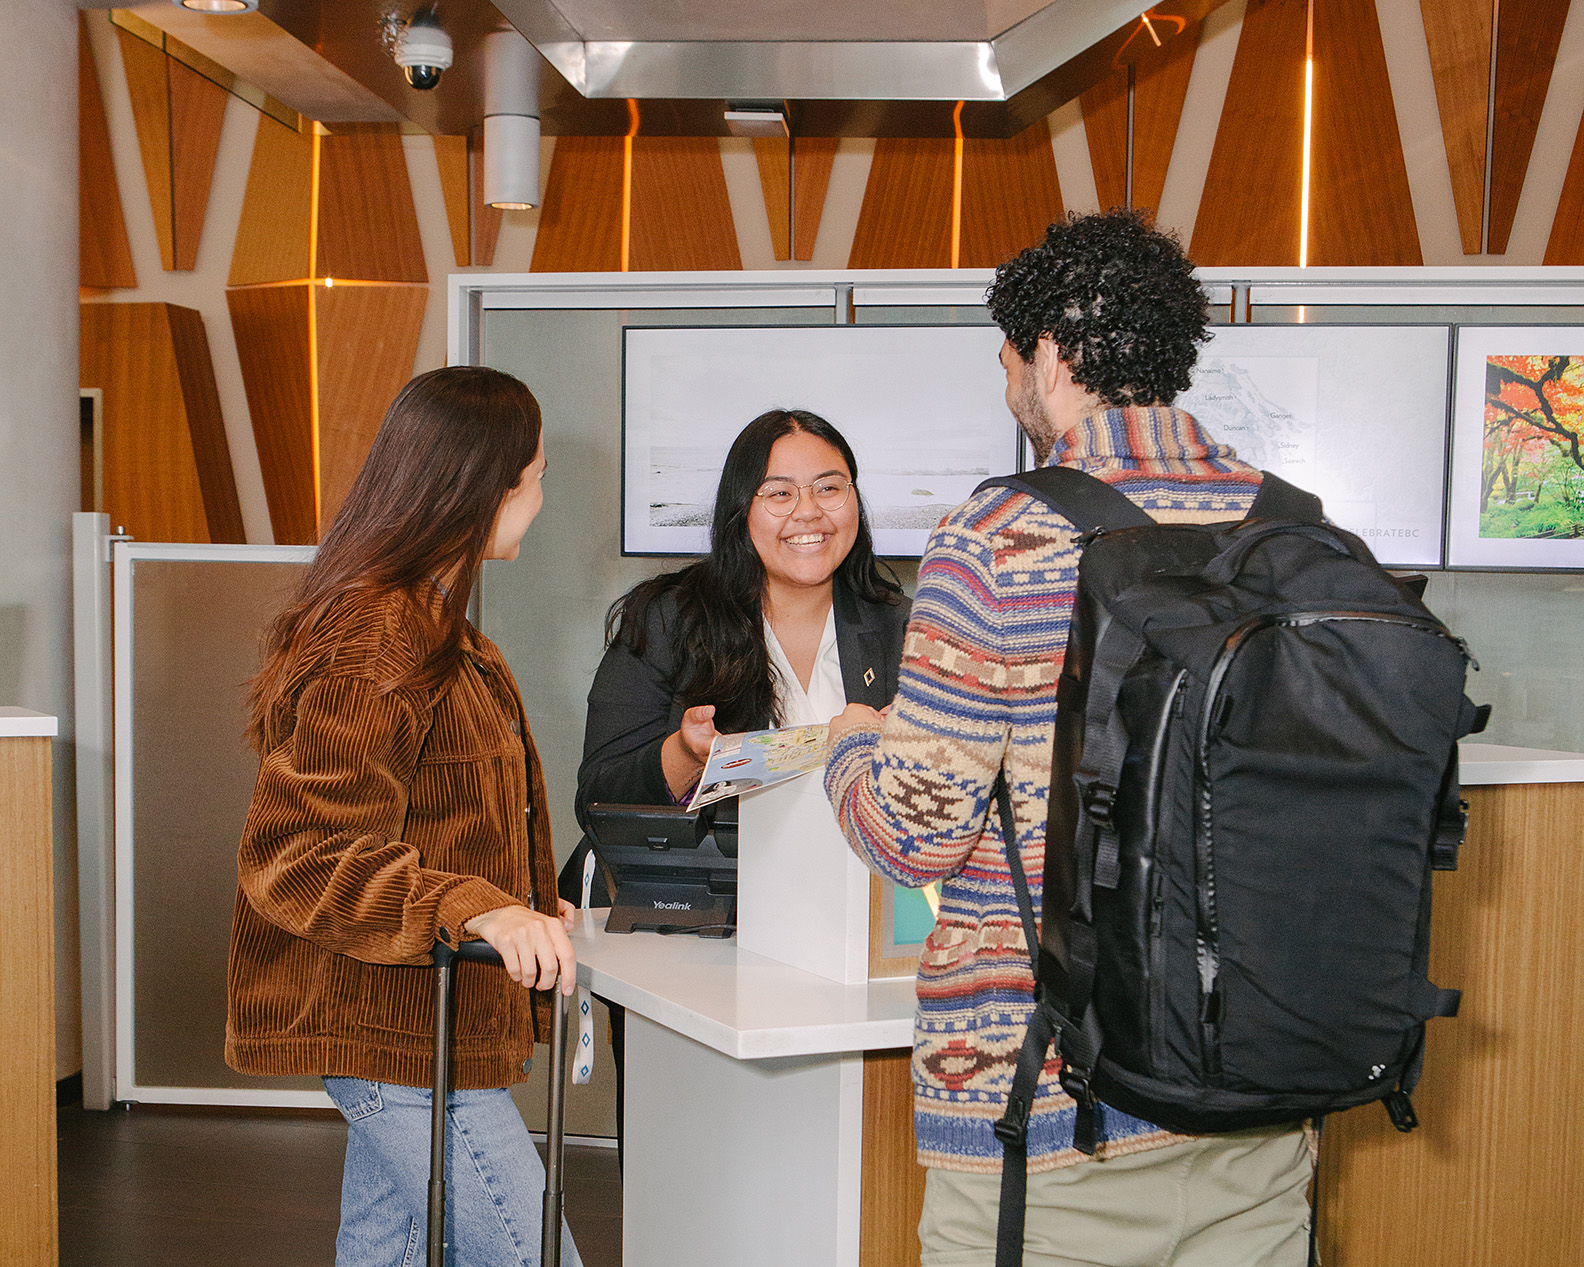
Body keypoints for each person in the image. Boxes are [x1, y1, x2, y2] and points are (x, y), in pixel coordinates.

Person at [824, 211, 1314, 1266]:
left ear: (1050, 355)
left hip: (1044, 1112)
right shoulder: (1296, 528)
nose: (1009, 382)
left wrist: (850, 746)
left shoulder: (1002, 537)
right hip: (1261, 1095)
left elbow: (914, 838)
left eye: (1008, 358)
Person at [225, 366, 582, 1267]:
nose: (540, 497)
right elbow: (296, 853)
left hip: (420, 1025)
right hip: (399, 1031)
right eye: (535, 475)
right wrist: (477, 908)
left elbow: (443, 813)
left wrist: (523, 902)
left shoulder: (435, 626)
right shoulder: (379, 634)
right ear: (485, 487)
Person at [563, 408, 911, 1155]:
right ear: (740, 510)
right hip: (692, 934)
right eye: (778, 493)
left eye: (830, 487)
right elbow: (597, 793)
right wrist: (686, 756)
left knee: (834, 1156)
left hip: (846, 946)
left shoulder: (897, 625)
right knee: (694, 1156)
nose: (809, 513)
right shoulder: (668, 616)